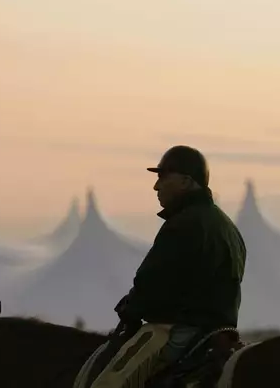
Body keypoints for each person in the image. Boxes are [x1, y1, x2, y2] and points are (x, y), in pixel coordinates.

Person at [85, 145, 246, 388]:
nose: (156, 186)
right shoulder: (227, 227)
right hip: (218, 333)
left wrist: (130, 310)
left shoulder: (183, 224)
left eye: (162, 177)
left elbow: (151, 283)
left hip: (177, 332)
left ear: (185, 181)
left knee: (106, 384)